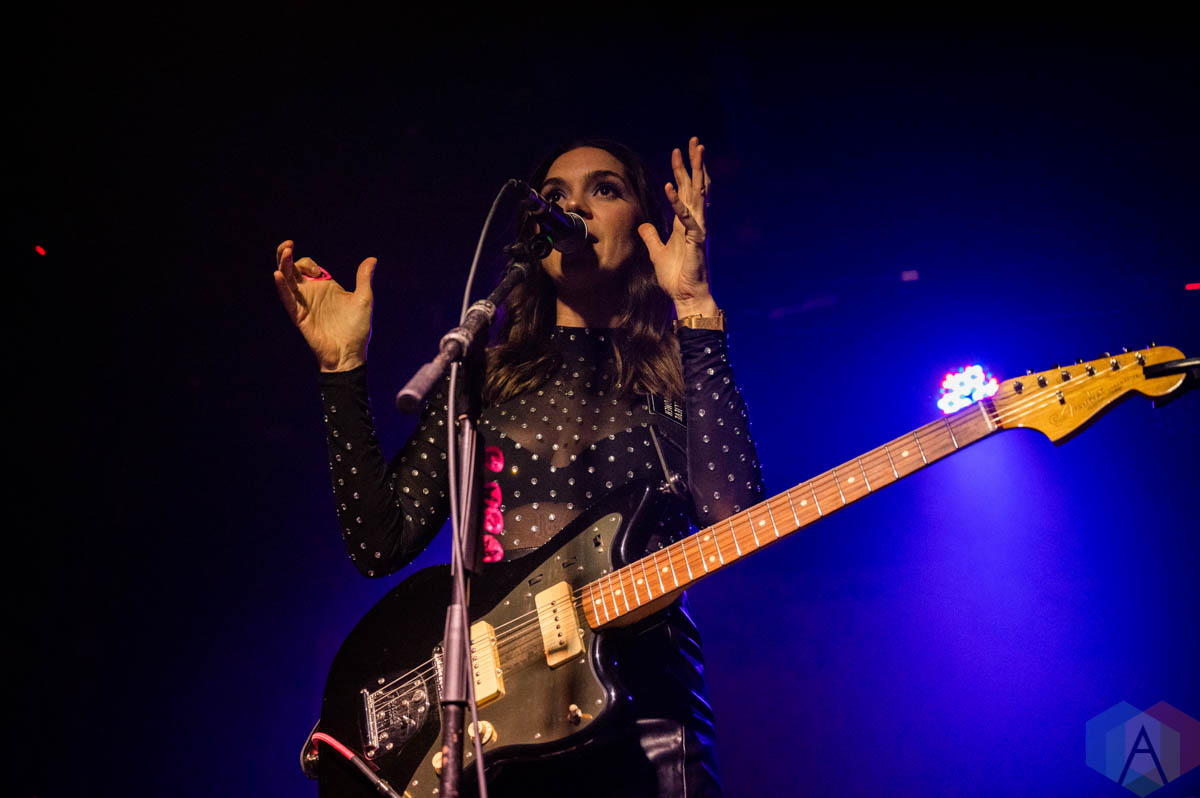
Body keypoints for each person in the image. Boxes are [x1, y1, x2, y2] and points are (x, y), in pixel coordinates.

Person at [274, 137, 763, 797]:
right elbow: (380, 541)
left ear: (646, 224)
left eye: (605, 189)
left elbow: (736, 517)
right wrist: (342, 370)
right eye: (554, 197)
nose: (574, 207)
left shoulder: (677, 375)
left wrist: (696, 305)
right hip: (497, 738)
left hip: (642, 719)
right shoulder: (484, 377)